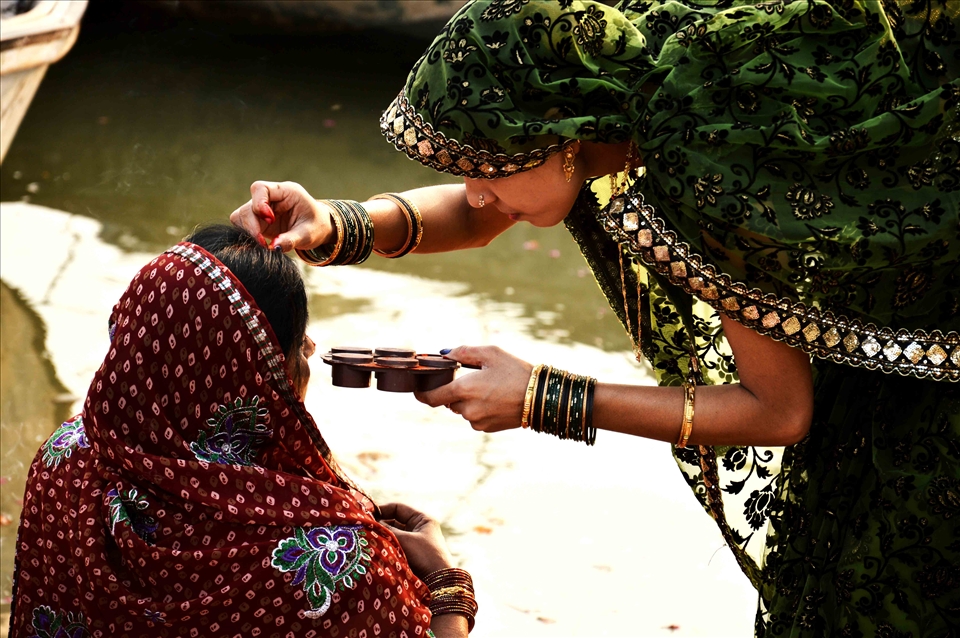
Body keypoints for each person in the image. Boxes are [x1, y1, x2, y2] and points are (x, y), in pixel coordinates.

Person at [230, 1, 959, 635]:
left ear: (566, 136)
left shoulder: (713, 165)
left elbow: (778, 410)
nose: (473, 192)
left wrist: (544, 396)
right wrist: (334, 224)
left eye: (487, 168)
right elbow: (483, 210)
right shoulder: (606, 82)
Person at [8, 225, 476, 638]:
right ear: (254, 375)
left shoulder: (67, 456)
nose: (310, 348)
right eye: (296, 339)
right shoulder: (336, 563)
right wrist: (448, 583)